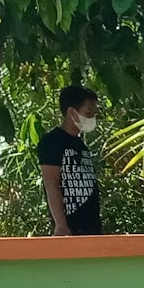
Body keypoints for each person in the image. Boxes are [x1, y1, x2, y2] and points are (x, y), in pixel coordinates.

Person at [38, 84, 103, 236]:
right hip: (70, 227)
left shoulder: (81, 146)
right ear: (71, 112)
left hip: (92, 228)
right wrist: (61, 225)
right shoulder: (52, 142)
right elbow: (51, 184)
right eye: (88, 112)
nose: (92, 117)